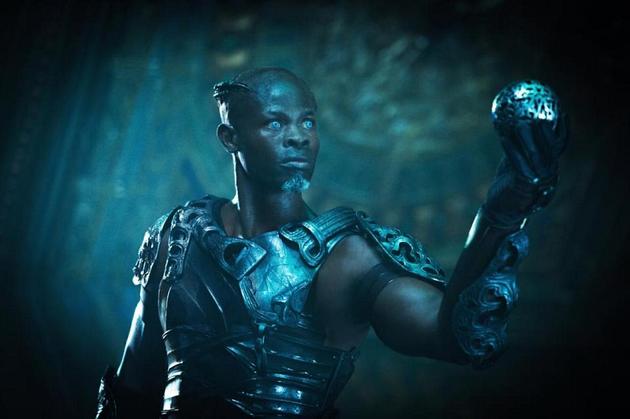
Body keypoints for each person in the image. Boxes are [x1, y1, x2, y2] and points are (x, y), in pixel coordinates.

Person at [95, 68, 568, 418]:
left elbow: (453, 336)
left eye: (308, 122)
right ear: (229, 138)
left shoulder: (347, 254)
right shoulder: (178, 233)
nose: (298, 137)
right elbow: (134, 386)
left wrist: (504, 211)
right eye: (275, 123)